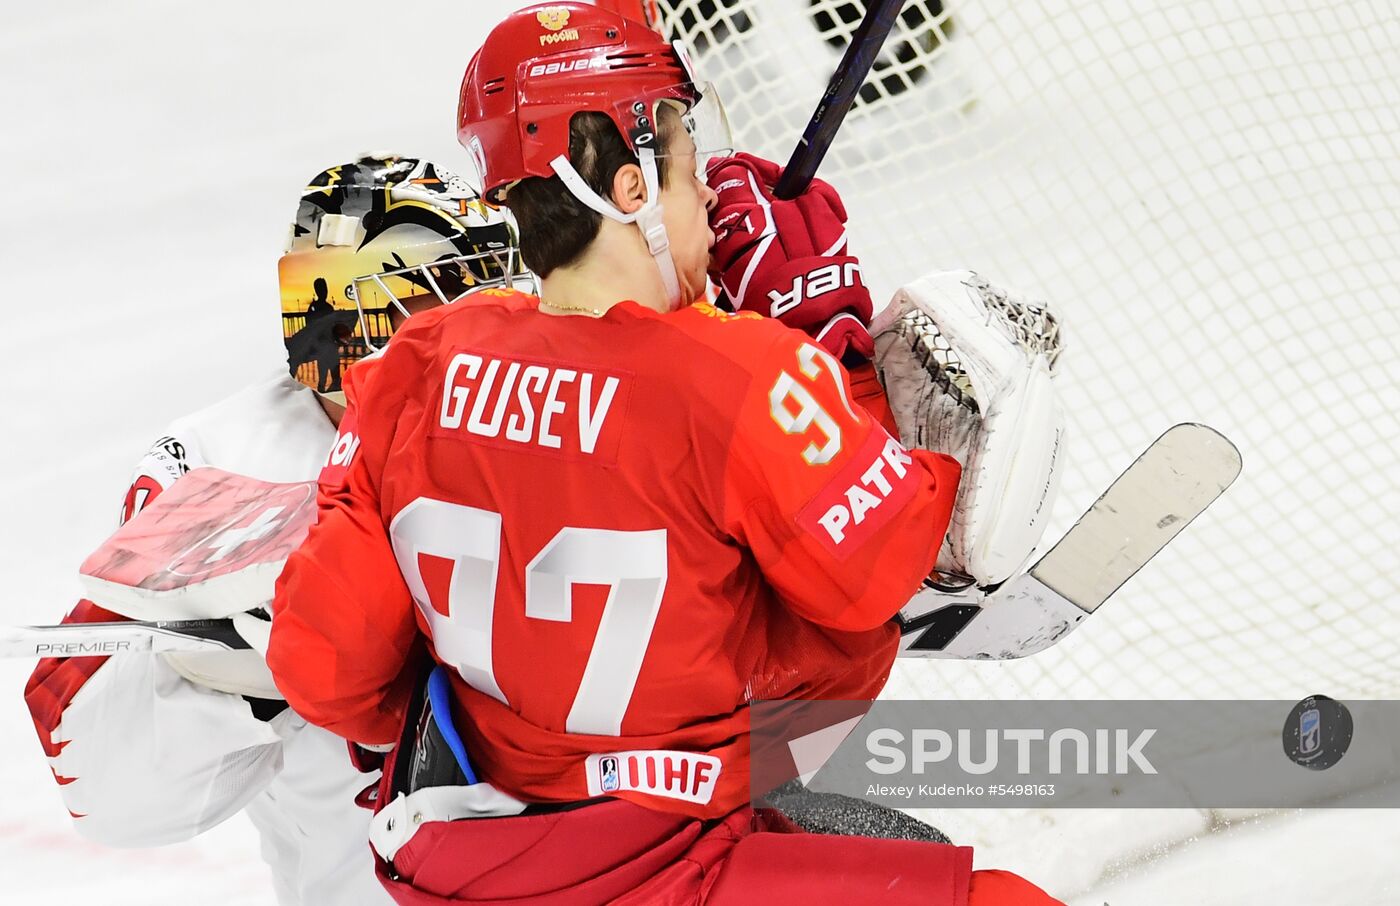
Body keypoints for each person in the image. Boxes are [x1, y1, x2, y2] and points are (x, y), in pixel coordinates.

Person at [268, 4, 1063, 903]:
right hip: (665, 872)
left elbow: (329, 673)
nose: (713, 209)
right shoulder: (738, 377)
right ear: (632, 187)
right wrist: (826, 343)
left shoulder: (418, 362)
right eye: (691, 171)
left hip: (461, 870)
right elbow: (877, 578)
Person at [24, 154, 516, 906]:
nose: (502, 320)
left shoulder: (536, 426)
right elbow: (102, 783)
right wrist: (261, 674)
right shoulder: (216, 465)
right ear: (358, 314)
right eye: (453, 293)